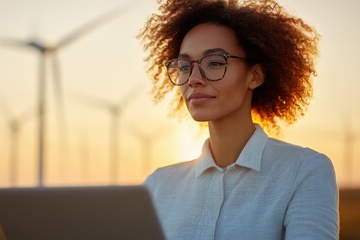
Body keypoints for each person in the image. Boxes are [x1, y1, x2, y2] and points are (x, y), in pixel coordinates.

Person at [138, 0, 339, 239]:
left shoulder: (303, 170)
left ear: (254, 76)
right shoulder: (158, 185)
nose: (193, 79)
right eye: (183, 66)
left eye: (214, 63)